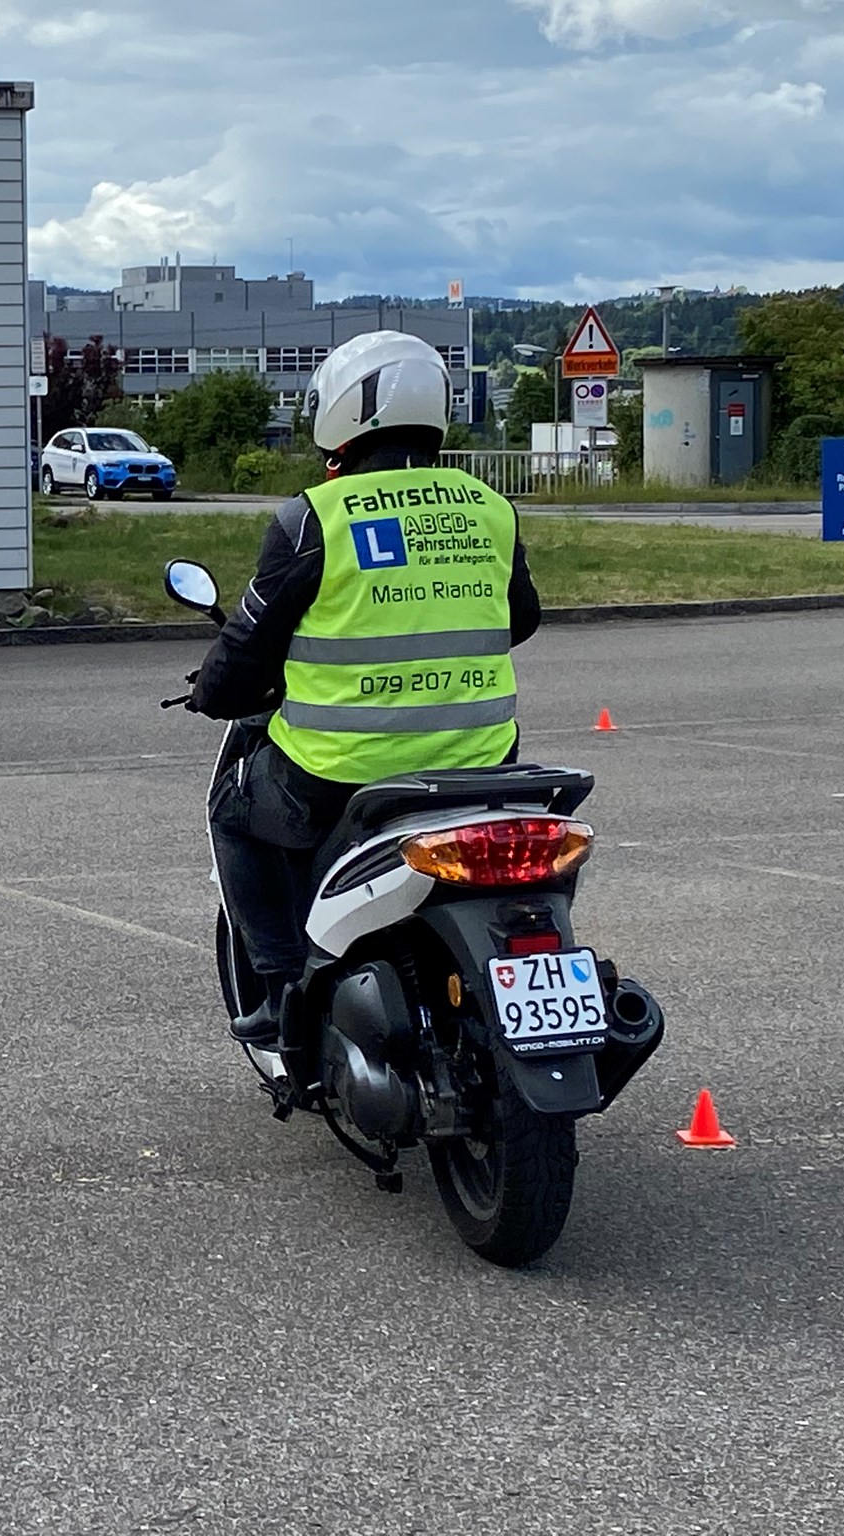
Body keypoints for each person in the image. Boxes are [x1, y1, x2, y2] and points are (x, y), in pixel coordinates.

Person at [183, 331, 542, 1056]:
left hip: (338, 771)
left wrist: (213, 693)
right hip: (481, 764)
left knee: (231, 809)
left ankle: (283, 987)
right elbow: (522, 617)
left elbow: (251, 642)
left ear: (343, 414)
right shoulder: (488, 507)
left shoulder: (315, 517)